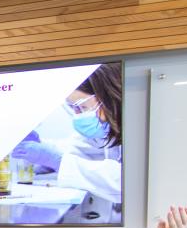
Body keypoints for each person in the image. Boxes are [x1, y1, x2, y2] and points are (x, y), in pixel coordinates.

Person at [11, 61, 123, 205]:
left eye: (82, 107)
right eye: (73, 108)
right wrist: (41, 148)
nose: (78, 114)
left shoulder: (137, 126)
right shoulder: (107, 127)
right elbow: (79, 148)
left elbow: (124, 180)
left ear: (109, 98)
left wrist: (57, 161)